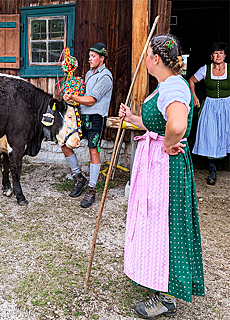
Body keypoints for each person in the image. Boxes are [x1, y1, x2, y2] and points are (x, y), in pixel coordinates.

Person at [119, 34, 205, 318]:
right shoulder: (167, 85)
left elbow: (177, 124)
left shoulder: (174, 87)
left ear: (155, 59)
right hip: (157, 167)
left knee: (168, 226)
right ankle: (157, 278)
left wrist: (168, 143)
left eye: (146, 55)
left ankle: (168, 297)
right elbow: (159, 122)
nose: (145, 60)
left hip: (166, 169)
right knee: (157, 224)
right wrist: (133, 118)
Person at [63, 42, 113, 208]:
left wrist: (72, 97)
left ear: (102, 58)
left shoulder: (105, 77)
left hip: (97, 118)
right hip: (82, 116)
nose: (89, 59)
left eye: (93, 56)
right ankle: (79, 178)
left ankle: (92, 189)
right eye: (89, 56)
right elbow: (83, 97)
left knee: (93, 151)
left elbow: (91, 100)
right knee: (65, 143)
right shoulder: (88, 74)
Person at [189, 42, 230, 185]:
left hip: (227, 105)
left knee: (224, 133)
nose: (218, 56)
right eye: (215, 53)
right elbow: (192, 80)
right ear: (211, 56)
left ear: (225, 55)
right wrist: (194, 96)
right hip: (210, 105)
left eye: (221, 53)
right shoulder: (205, 69)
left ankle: (222, 161)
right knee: (211, 134)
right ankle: (212, 170)